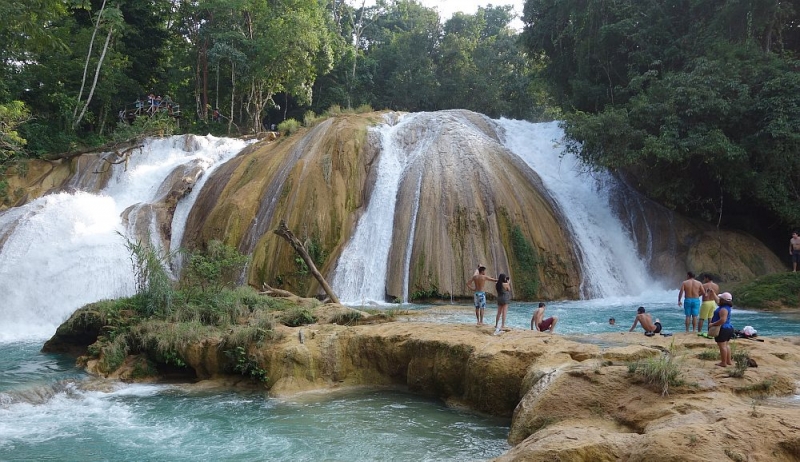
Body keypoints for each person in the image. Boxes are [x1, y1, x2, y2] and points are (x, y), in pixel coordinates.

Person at [708, 291, 734, 367]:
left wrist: (712, 324)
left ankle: (723, 362)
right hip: (728, 328)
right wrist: (713, 294)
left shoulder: (723, 309)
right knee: (726, 345)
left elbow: (723, 320)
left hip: (723, 329)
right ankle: (728, 361)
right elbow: (718, 301)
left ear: (723, 300)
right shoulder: (726, 307)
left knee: (722, 346)